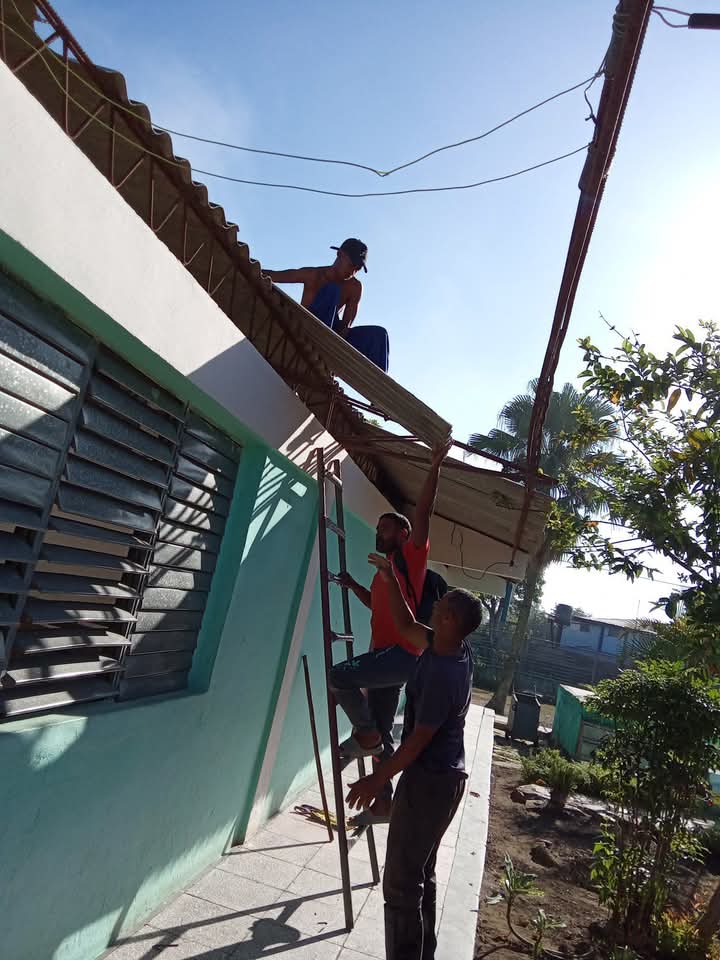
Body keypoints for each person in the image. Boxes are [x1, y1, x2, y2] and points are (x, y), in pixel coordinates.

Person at [346, 554, 482, 960]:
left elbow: (416, 742)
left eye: (441, 606)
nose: (435, 605)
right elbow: (405, 626)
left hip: (430, 782)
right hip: (441, 780)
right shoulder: (448, 647)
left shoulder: (444, 672)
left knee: (402, 883)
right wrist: (389, 580)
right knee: (420, 872)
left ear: (449, 620)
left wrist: (375, 780)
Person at [329, 439, 451, 823]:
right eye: (380, 528)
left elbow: (424, 512)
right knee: (384, 733)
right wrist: (354, 586)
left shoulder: (410, 560)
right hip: (387, 657)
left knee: (338, 677)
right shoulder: (384, 572)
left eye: (385, 529)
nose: (379, 533)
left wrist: (434, 467)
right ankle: (384, 802)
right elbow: (378, 607)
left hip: (401, 656)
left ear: (402, 535)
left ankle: (362, 737)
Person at [263, 239, 389, 371]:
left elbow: (345, 326)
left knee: (379, 335)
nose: (352, 272)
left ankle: (381, 386)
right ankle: (323, 343)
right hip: (306, 327)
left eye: (356, 269)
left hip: (333, 337)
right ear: (339, 254)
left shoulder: (354, 287)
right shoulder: (313, 275)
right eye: (351, 265)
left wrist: (337, 350)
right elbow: (274, 275)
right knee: (332, 290)